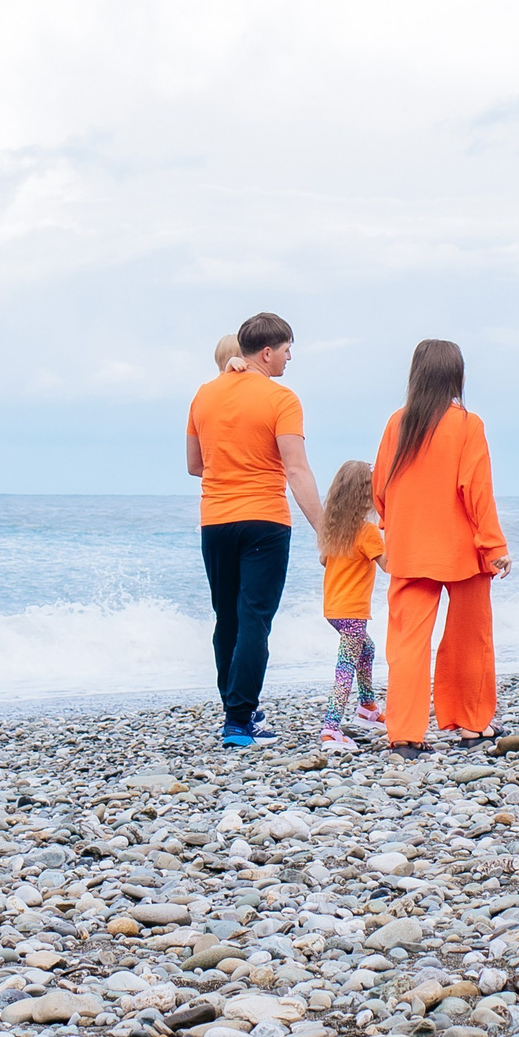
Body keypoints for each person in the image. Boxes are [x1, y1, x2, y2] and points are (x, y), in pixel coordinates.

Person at [186, 311, 323, 749]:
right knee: (254, 621)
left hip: (215, 521)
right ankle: (240, 721)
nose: (288, 358)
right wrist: (324, 529)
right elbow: (296, 470)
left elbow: (194, 465)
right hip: (264, 519)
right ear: (267, 352)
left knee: (227, 618)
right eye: (286, 350)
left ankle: (236, 711)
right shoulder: (282, 399)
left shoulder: (204, 395)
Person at [372, 339, 511, 756]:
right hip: (462, 549)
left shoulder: (397, 423)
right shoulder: (467, 424)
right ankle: (471, 726)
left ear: (416, 375)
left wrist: (392, 525)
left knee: (407, 644)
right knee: (470, 639)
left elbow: (380, 487)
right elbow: (476, 489)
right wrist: (494, 545)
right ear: (458, 377)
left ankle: (405, 736)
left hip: (409, 548)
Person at [316, 460, 389, 751]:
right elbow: (389, 565)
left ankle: (367, 708)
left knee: (366, 649)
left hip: (334, 610)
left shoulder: (334, 530)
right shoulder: (367, 532)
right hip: (353, 613)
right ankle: (330, 730)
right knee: (345, 667)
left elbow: (325, 561)